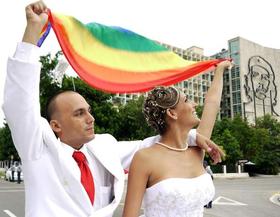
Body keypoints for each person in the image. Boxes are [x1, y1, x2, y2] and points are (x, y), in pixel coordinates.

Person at [3, 1, 224, 217]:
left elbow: (153, 144)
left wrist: (194, 136)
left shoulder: (104, 146)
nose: (90, 118)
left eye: (88, 110)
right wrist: (32, 32)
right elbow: (19, 103)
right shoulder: (38, 148)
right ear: (56, 125)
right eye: (79, 113)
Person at [122, 61, 232, 217]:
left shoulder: (197, 150)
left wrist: (220, 69)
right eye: (187, 100)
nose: (194, 104)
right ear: (172, 113)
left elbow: (212, 104)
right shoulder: (144, 158)